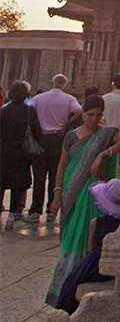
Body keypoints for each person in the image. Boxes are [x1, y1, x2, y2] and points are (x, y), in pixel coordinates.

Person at [44, 95, 120, 306]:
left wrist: (102, 155)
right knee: (70, 233)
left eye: (98, 115)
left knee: (85, 235)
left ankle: (79, 278)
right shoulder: (71, 137)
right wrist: (56, 194)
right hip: (71, 193)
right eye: (90, 114)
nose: (94, 119)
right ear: (82, 113)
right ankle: (63, 285)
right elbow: (62, 167)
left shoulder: (106, 133)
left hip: (92, 196)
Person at [53, 178, 120, 315]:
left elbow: (90, 247)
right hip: (108, 265)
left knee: (71, 282)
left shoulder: (95, 222)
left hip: (92, 264)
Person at [25, 74, 82, 225]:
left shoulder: (39, 98)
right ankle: (51, 211)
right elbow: (80, 111)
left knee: (39, 175)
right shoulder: (68, 99)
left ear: (52, 83)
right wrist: (67, 124)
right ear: (65, 85)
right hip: (58, 138)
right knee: (56, 175)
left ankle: (35, 211)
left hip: (41, 138)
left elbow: (29, 110)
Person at [0, 81, 42, 230]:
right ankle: (12, 215)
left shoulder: (3, 111)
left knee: (2, 183)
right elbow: (37, 132)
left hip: (4, 151)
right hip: (23, 153)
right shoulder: (30, 111)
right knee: (18, 185)